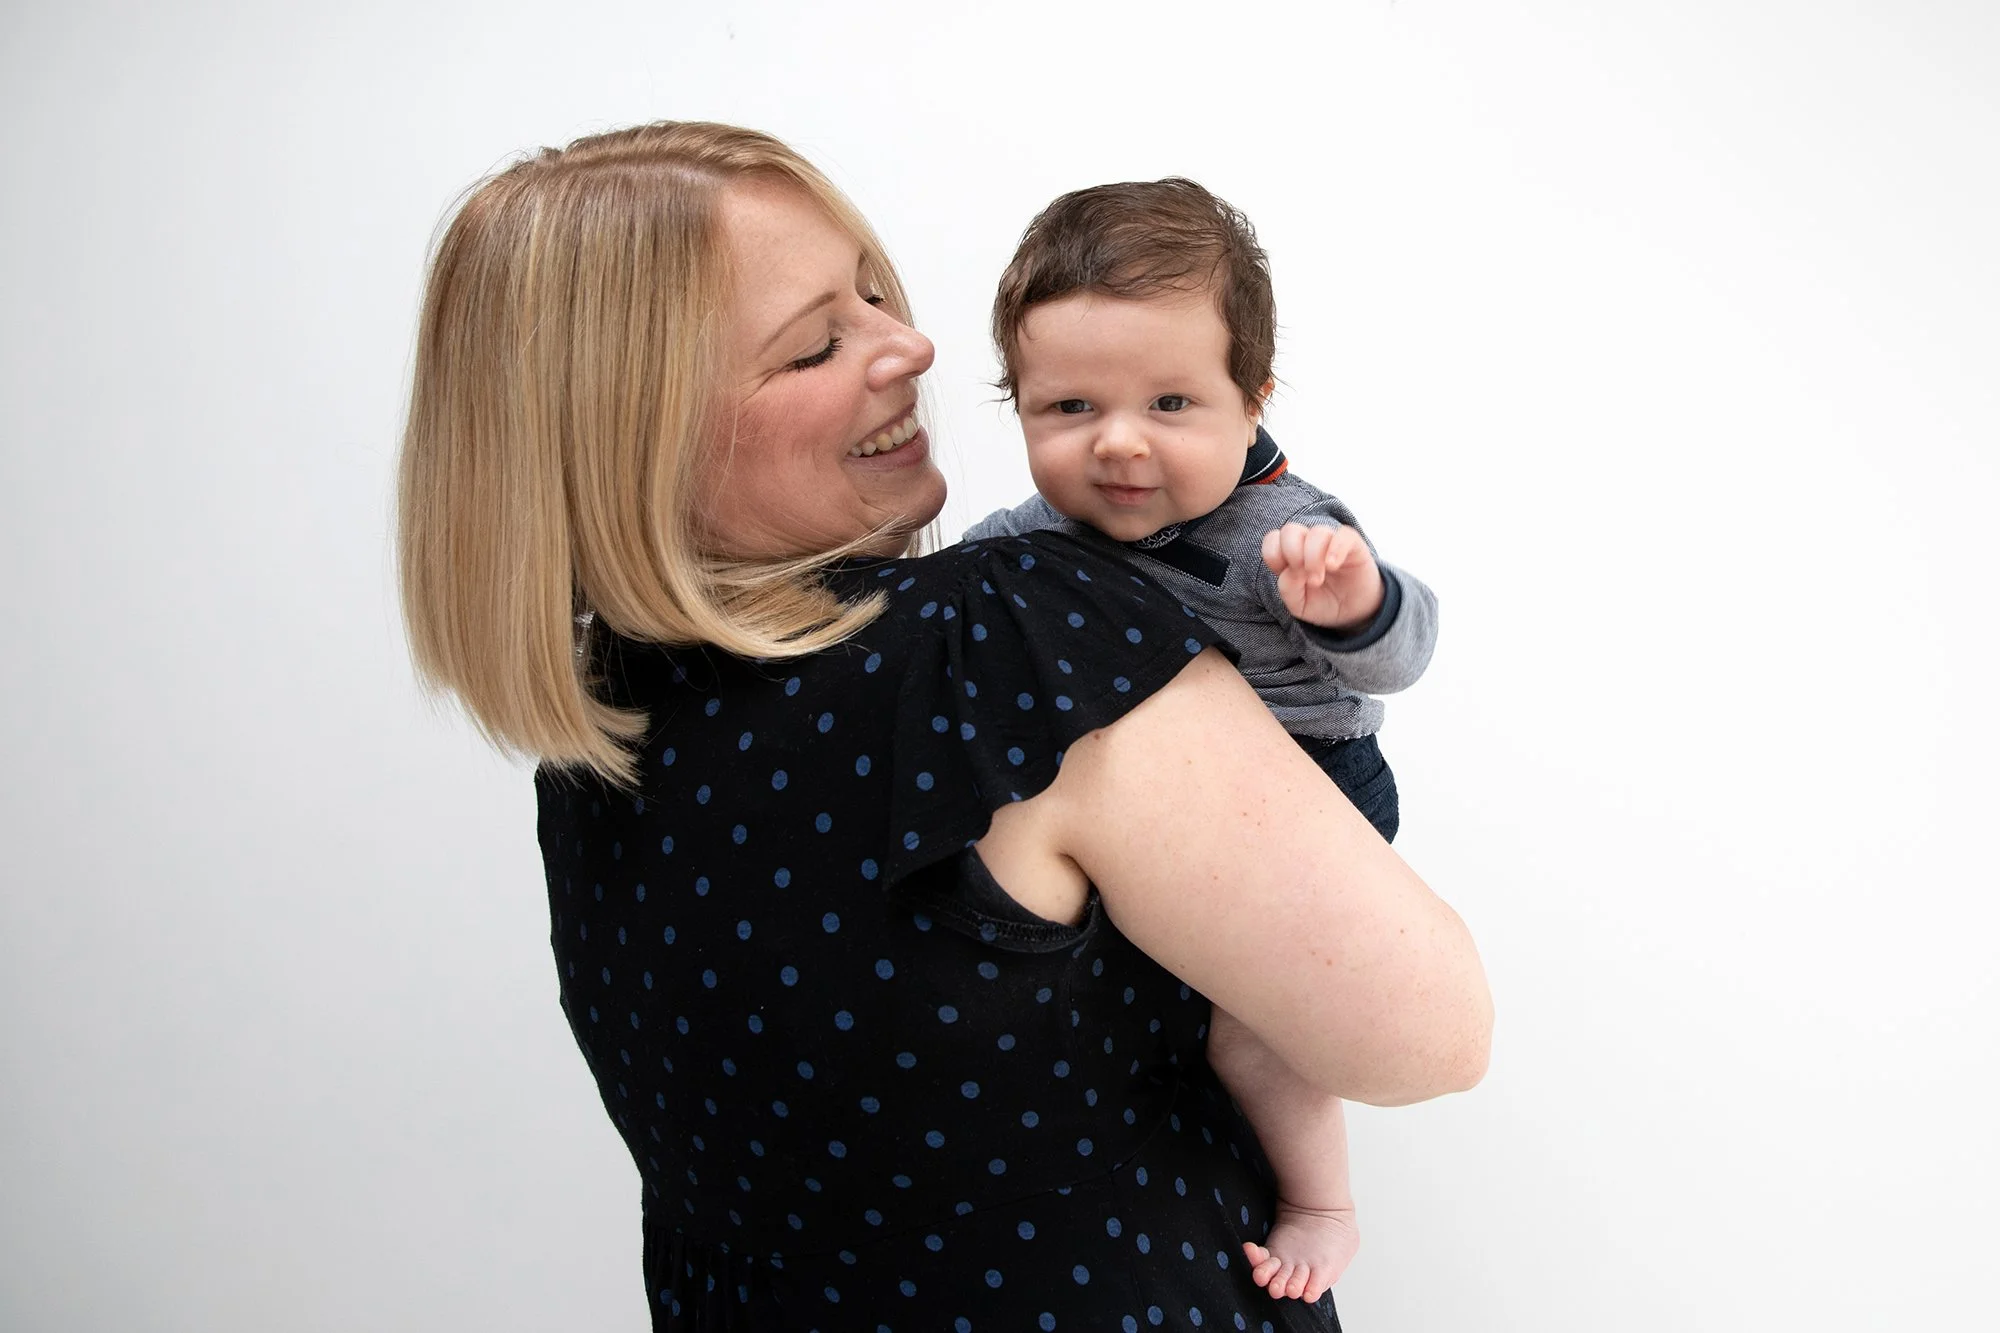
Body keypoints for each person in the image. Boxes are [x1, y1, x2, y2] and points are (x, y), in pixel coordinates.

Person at [397, 120, 1491, 1332]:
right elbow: (1426, 1035)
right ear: (631, 434)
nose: (911, 344)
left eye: (872, 293)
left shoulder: (596, 718)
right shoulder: (1010, 629)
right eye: (816, 343)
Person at [965, 179, 1440, 1303]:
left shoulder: (1286, 532)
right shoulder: (1033, 533)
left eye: (1170, 403)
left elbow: (1406, 652)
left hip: (1307, 786)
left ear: (1252, 397)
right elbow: (949, 594)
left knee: (1249, 1028)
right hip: (1147, 808)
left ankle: (1321, 1202)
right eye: (1068, 409)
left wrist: (1355, 608)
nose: (1117, 444)